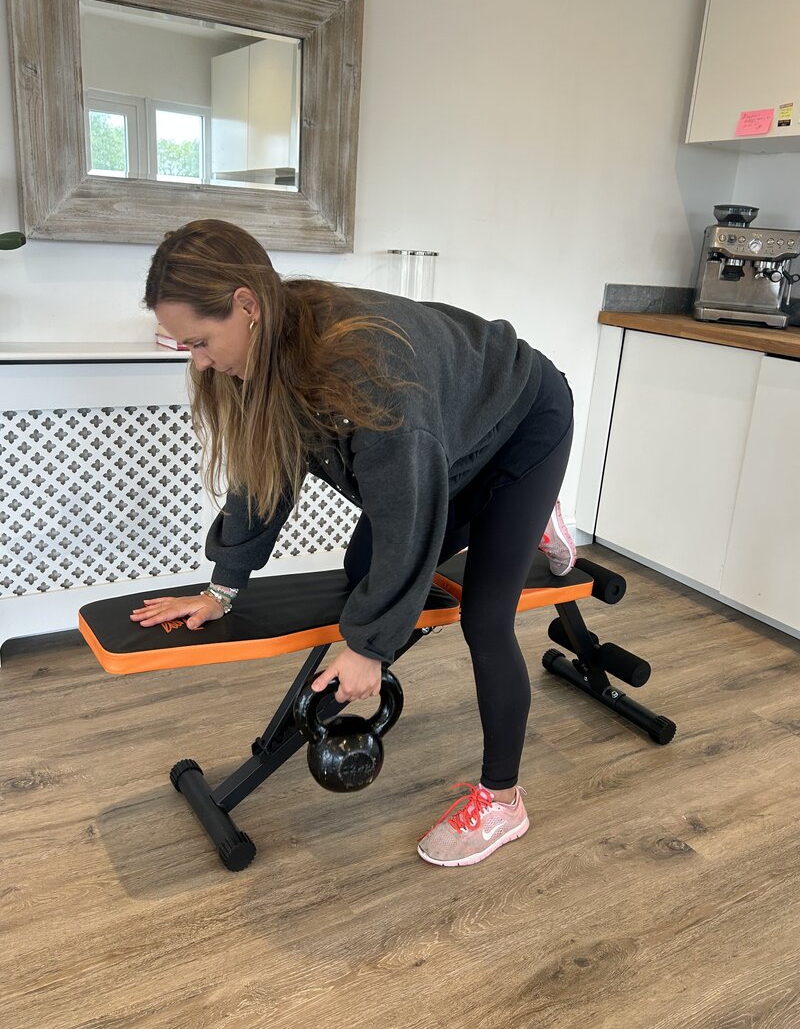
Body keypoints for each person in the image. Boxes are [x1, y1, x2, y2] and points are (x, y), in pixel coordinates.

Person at [131, 219, 575, 867]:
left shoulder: (365, 372)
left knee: (485, 617)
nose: (198, 360)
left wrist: (369, 647)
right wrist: (222, 588)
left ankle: (502, 801)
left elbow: (407, 515)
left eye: (200, 341)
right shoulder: (268, 349)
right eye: (184, 346)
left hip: (519, 420)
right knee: (364, 564)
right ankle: (516, 515)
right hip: (448, 437)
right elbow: (265, 473)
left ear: (246, 305)